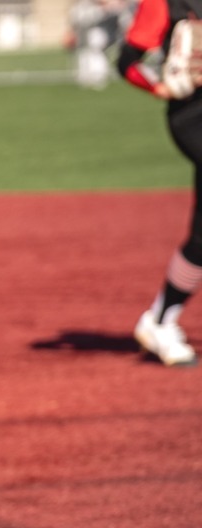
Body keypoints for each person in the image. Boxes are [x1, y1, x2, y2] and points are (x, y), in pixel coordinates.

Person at [118, 0, 202, 365]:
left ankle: (160, 320)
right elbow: (127, 61)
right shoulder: (167, 2)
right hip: (194, 117)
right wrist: (159, 88)